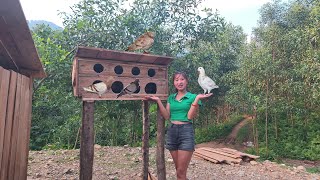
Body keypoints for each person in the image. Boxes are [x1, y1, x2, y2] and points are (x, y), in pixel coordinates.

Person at [145, 71, 212, 180]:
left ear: (187, 82)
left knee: (181, 172)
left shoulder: (193, 97)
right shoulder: (171, 98)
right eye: (176, 80)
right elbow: (167, 116)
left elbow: (190, 117)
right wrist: (158, 101)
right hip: (172, 132)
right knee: (179, 172)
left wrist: (197, 99)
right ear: (174, 83)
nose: (179, 82)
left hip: (186, 132)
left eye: (182, 79)